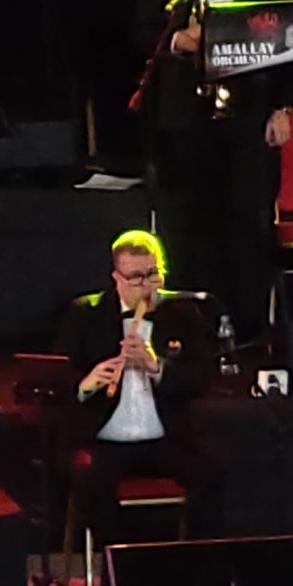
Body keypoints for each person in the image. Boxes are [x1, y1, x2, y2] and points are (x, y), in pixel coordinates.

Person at [137, 0, 293, 337]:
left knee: (249, 221)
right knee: (193, 224)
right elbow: (142, 29)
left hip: (251, 112)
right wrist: (179, 41)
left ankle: (251, 328)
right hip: (187, 115)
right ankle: (197, 329)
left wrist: (285, 106)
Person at [57, 230, 225, 545]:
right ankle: (121, 564)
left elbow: (201, 379)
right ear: (116, 278)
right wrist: (86, 383)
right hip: (102, 441)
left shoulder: (183, 314)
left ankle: (196, 563)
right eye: (136, 278)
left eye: (153, 274)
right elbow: (55, 380)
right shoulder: (85, 313)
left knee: (211, 473)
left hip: (164, 440)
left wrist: (156, 367)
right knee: (89, 481)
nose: (147, 286)